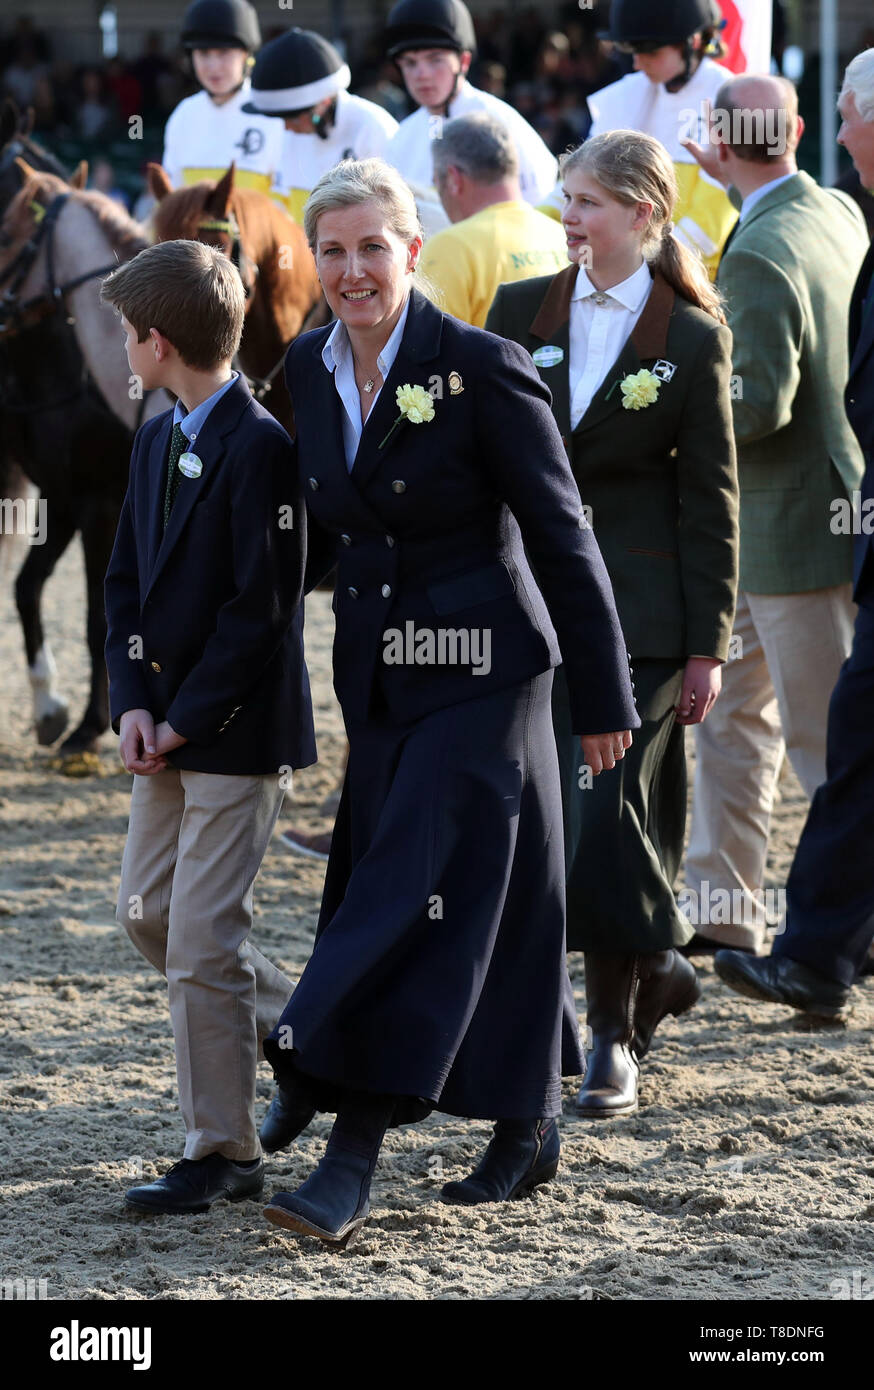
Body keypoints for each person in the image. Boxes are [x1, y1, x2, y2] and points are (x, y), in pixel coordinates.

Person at [257, 156, 639, 1247]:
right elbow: (327, 534)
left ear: (413, 249)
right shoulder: (305, 367)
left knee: (407, 897)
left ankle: (349, 1146)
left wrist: (603, 692)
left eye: (372, 246)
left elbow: (563, 535)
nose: (351, 270)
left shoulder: (481, 365)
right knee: (494, 901)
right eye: (330, 250)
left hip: (488, 677)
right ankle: (530, 1115)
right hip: (379, 683)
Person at [486, 129, 738, 1118]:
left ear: (643, 214)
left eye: (587, 200)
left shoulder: (691, 337)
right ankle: (660, 963)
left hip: (647, 618)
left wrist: (709, 642)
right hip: (537, 607)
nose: (568, 215)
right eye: (564, 197)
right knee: (568, 816)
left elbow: (711, 502)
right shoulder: (519, 312)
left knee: (602, 808)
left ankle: (607, 1038)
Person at [100, 240, 316, 1214]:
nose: (120, 350)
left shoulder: (263, 446)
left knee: (199, 940)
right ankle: (307, 1035)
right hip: (163, 727)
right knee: (149, 914)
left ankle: (221, 1150)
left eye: (124, 334)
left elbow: (259, 614)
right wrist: (133, 704)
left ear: (159, 340)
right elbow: (122, 584)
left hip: (233, 732)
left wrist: (184, 719)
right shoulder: (152, 433)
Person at [680, 76, 868, 955]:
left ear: (721, 142)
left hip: (788, 525)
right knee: (738, 723)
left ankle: (824, 923)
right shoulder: (832, 207)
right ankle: (724, 909)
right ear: (793, 131)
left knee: (814, 739)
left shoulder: (756, 248)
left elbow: (756, 404)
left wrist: (672, 400)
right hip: (798, 517)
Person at [539, 0, 736, 280]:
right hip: (617, 274)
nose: (637, 62)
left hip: (688, 281)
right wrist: (531, 223)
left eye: (649, 51)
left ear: (692, 42)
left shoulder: (730, 100)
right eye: (631, 51)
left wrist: (646, 270)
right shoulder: (624, 95)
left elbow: (707, 226)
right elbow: (575, 183)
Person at [382, 0, 558, 208]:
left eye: (435, 59)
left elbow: (541, 198)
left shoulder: (499, 121)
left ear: (463, 62)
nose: (422, 75)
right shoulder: (401, 138)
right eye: (410, 63)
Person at [417, 111, 568, 326]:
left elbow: (425, 349)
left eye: (436, 181)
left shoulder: (450, 247)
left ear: (453, 178)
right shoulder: (564, 237)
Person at [242, 28, 398, 226]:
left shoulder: (374, 128)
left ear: (323, 102)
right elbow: (280, 209)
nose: (287, 128)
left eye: (293, 118)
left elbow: (394, 217)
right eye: (281, 118)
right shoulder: (288, 134)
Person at [161, 0, 284, 194]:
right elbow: (172, 196)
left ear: (246, 55)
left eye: (224, 53)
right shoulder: (184, 115)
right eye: (203, 53)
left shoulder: (273, 116)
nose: (213, 66)